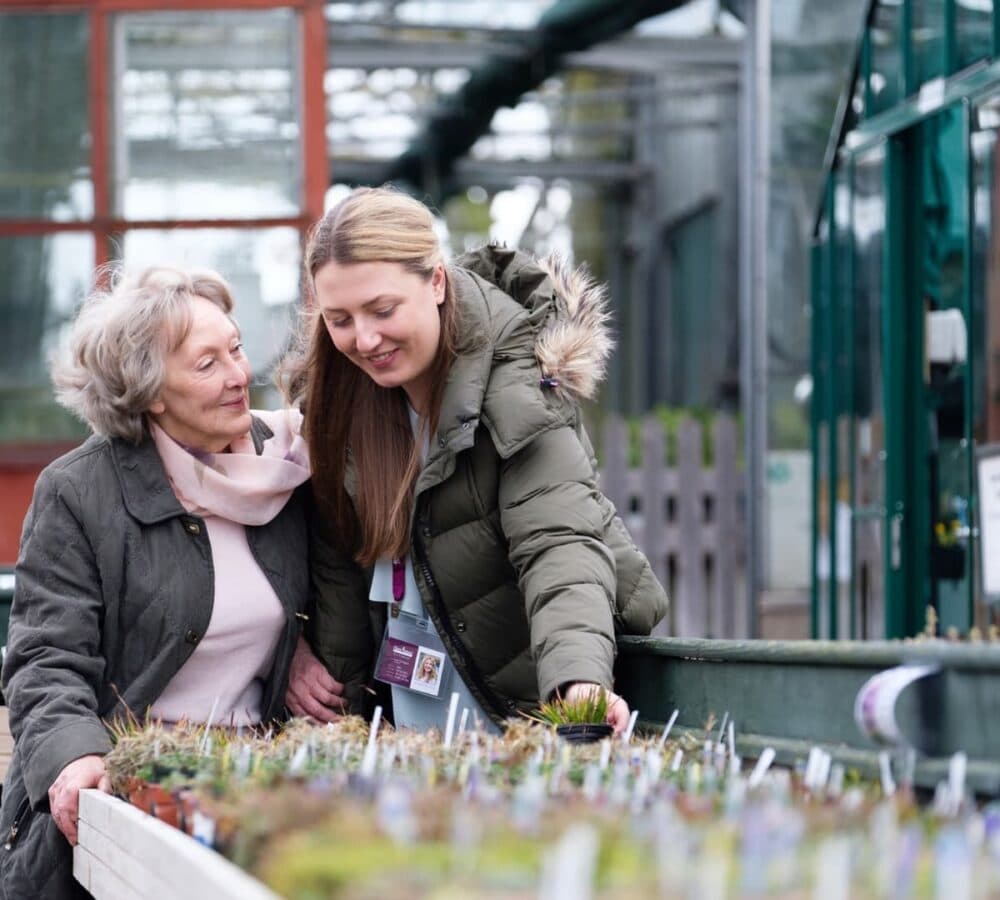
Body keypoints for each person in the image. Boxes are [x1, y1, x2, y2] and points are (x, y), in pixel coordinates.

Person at [283, 186, 668, 735]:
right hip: (408, 714)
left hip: (514, 707)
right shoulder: (340, 397)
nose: (364, 339)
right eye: (339, 318)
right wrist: (338, 711)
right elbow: (338, 565)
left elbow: (559, 541)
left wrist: (577, 681)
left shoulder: (519, 384)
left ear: (436, 281)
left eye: (383, 310)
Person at [0, 266, 311, 900]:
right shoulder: (79, 492)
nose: (238, 375)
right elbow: (43, 657)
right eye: (207, 364)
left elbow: (334, 587)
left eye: (236, 347)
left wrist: (313, 647)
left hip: (256, 798)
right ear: (151, 394)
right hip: (128, 796)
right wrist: (71, 755)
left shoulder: (286, 464)